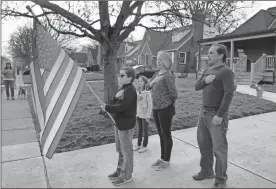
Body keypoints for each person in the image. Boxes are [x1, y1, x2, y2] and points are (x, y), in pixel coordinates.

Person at [194, 44, 236, 188]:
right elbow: (196, 86)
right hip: (203, 112)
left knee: (219, 149)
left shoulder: (226, 72)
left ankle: (220, 180)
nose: (208, 55)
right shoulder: (207, 70)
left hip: (216, 115)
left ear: (221, 55)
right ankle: (206, 171)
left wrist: (220, 114)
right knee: (204, 145)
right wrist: (205, 81)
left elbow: (229, 93)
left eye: (211, 53)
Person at [101, 66, 137, 186]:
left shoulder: (130, 90)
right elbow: (115, 102)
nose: (119, 77)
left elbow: (122, 107)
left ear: (130, 78)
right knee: (120, 149)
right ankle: (120, 170)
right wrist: (115, 97)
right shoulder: (123, 88)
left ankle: (127, 175)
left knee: (126, 151)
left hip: (126, 125)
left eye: (122, 75)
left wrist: (107, 107)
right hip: (119, 123)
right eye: (119, 75)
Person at [146, 51, 178, 171]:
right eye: (157, 60)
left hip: (165, 109)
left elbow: (174, 94)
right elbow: (147, 87)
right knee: (160, 135)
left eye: (160, 60)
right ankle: (162, 158)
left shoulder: (167, 75)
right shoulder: (156, 74)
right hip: (156, 108)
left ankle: (166, 160)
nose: (157, 62)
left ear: (165, 62)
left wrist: (166, 103)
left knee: (166, 134)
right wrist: (152, 82)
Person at [133, 75, 152, 153]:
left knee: (145, 130)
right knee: (139, 130)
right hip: (138, 114)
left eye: (141, 81)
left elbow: (150, 105)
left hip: (145, 115)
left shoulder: (147, 93)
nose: (139, 83)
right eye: (139, 81)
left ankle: (144, 146)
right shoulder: (137, 92)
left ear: (145, 83)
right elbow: (135, 103)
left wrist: (148, 116)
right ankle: (138, 144)